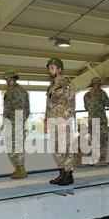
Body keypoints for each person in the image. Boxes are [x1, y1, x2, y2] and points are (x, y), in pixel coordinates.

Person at [44, 58, 76, 186]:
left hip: (63, 121)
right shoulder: (51, 87)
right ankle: (62, 173)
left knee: (66, 148)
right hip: (53, 121)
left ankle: (69, 175)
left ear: (59, 69)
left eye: (52, 68)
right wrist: (46, 121)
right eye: (49, 68)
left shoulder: (67, 83)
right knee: (56, 148)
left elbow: (71, 103)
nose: (49, 70)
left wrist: (66, 119)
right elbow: (48, 106)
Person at [1, 71, 30, 179]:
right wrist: (23, 118)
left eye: (6, 80)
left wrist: (5, 121)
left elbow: (7, 108)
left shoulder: (11, 91)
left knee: (12, 145)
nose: (6, 82)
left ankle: (20, 170)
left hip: (13, 119)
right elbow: (27, 108)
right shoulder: (23, 91)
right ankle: (19, 169)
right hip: (20, 118)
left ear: (10, 79)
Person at [84, 77, 109, 167]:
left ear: (91, 84)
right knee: (103, 140)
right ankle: (102, 161)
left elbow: (86, 107)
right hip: (101, 121)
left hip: (92, 121)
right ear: (100, 84)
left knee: (95, 140)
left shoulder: (86, 95)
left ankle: (95, 160)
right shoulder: (102, 92)